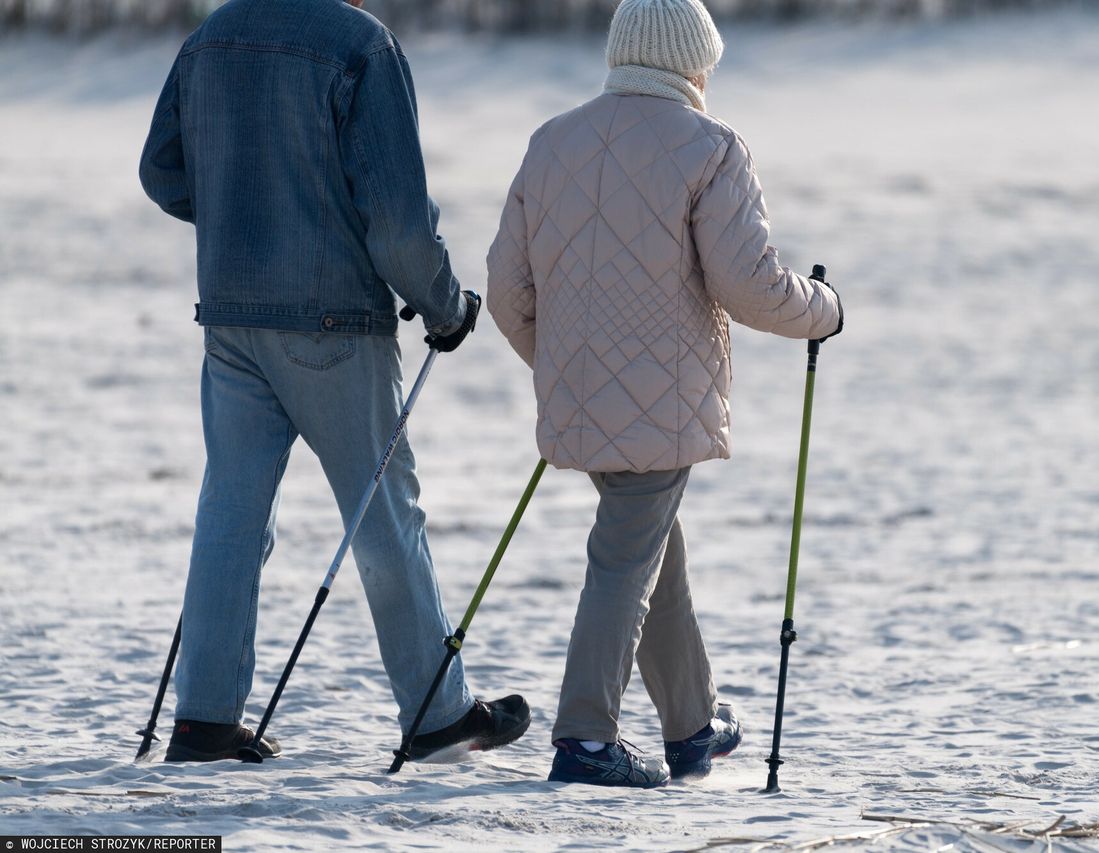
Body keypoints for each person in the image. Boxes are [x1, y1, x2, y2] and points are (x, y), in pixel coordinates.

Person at [139, 0, 529, 763]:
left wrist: (232, 215)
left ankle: (203, 718)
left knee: (231, 511)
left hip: (230, 310)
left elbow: (161, 173)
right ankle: (436, 711)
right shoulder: (360, 44)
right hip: (333, 321)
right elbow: (398, 223)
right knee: (383, 510)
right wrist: (445, 307)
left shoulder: (209, 37)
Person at [486, 0, 843, 788]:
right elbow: (747, 285)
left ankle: (693, 726)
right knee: (625, 557)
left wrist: (567, 369)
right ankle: (584, 739)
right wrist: (825, 309)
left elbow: (508, 292)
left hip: (581, 397)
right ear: (691, 62)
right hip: (664, 400)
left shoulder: (552, 140)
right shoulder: (711, 148)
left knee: (650, 549)